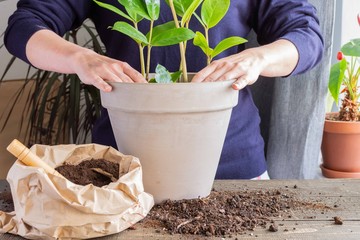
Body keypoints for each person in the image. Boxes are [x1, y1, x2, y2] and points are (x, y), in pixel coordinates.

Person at [4, 0, 323, 180]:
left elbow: (306, 35)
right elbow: (24, 26)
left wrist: (258, 57)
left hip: (232, 164)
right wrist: (80, 58)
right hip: (121, 169)